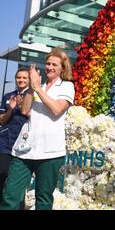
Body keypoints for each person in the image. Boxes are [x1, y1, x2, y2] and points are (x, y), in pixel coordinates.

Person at [0, 48, 75, 210]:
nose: (50, 67)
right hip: (24, 149)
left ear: (63, 68)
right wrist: (33, 88)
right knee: (10, 195)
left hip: (50, 152)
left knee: (43, 199)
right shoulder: (36, 86)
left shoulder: (67, 87)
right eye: (48, 63)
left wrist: (38, 89)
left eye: (54, 64)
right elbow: (25, 110)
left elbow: (56, 110)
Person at [0, 68, 30, 201]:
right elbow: (2, 120)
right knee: (1, 178)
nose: (21, 80)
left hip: (23, 145)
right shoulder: (8, 96)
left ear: (29, 80)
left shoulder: (33, 97)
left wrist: (23, 104)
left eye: (24, 78)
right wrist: (11, 109)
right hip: (5, 144)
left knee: (18, 184)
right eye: (19, 77)